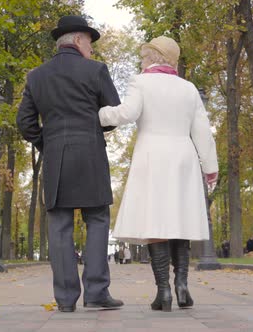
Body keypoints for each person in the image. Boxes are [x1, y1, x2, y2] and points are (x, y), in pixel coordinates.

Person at [99, 36, 218, 312]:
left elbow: (127, 113)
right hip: (183, 157)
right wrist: (210, 167)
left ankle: (163, 290)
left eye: (143, 56)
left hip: (152, 156)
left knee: (156, 223)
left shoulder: (140, 82)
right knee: (180, 221)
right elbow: (202, 130)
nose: (141, 61)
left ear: (153, 57)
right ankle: (182, 286)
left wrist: (100, 114)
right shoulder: (189, 89)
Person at [17, 15, 124, 313]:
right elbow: (112, 113)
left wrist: (47, 144)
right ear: (77, 40)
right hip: (90, 154)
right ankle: (97, 294)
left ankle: (65, 300)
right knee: (98, 220)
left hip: (56, 159)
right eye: (89, 42)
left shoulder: (36, 76)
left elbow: (25, 123)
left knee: (61, 226)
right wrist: (92, 131)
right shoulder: (96, 70)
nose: (91, 49)